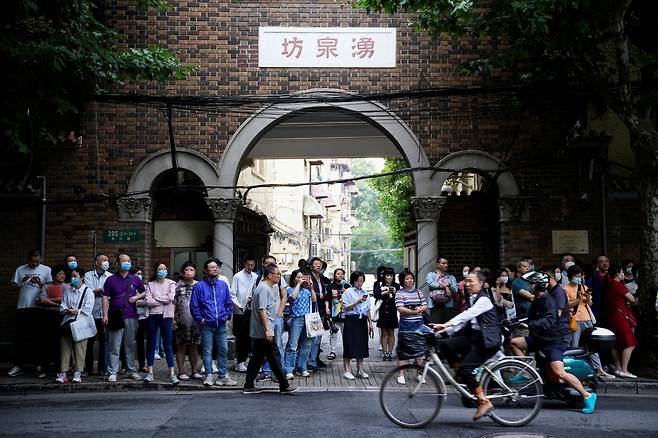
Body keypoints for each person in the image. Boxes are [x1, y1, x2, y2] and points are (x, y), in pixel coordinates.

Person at [510, 271, 598, 414]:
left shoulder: (549, 299)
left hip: (554, 340)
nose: (530, 286)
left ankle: (587, 395)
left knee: (559, 371)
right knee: (515, 343)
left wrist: (530, 325)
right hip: (542, 337)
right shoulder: (538, 299)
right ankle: (528, 373)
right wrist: (515, 321)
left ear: (540, 285)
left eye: (532, 284)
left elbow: (550, 319)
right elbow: (531, 317)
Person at [432, 271, 503, 421]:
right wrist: (444, 330)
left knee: (467, 369)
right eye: (466, 281)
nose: (468, 284)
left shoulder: (484, 300)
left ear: (481, 284)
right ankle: (460, 375)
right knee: (446, 345)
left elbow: (467, 315)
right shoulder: (473, 299)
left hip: (487, 342)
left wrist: (445, 323)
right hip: (474, 338)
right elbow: (464, 323)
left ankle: (484, 401)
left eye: (471, 281)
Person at [243, 264, 299, 394]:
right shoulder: (263, 289)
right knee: (274, 357)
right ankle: (284, 385)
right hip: (264, 331)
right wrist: (268, 329)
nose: (279, 277)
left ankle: (249, 385)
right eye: (277, 274)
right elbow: (262, 310)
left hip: (262, 331)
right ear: (270, 275)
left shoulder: (266, 287)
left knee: (258, 358)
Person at [190, 257, 237, 387]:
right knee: (207, 350)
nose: (214, 269)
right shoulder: (199, 286)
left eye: (216, 267)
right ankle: (209, 375)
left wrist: (227, 316)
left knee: (223, 349)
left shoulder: (223, 284)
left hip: (221, 323)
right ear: (205, 270)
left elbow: (228, 303)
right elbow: (194, 306)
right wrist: (201, 319)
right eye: (211, 267)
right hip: (206, 325)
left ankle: (223, 376)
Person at [564, 265, 616, 381]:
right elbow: (566, 305)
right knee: (575, 346)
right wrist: (578, 299)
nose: (579, 278)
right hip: (574, 319)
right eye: (576, 276)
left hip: (587, 318)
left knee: (593, 345)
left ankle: (599, 370)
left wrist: (588, 298)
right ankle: (574, 370)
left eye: (580, 276)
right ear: (570, 277)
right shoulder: (565, 289)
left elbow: (590, 304)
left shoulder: (583, 287)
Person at [8, 249, 52, 377]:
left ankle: (38, 365)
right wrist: (24, 279)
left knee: (38, 338)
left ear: (41, 259)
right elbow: (14, 286)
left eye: (37, 261)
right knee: (20, 337)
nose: (34, 264)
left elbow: (50, 288)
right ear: (28, 260)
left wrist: (39, 282)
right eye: (32, 261)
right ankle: (17, 365)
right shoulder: (21, 269)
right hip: (23, 306)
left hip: (39, 307)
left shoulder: (46, 270)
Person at [102, 253, 145, 382]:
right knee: (114, 345)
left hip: (131, 314)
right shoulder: (110, 280)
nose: (126, 263)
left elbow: (145, 291)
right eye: (123, 261)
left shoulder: (135, 279)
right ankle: (112, 371)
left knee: (130, 344)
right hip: (115, 314)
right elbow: (105, 297)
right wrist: (105, 315)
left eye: (128, 261)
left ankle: (131, 370)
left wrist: (136, 297)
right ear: (117, 263)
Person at [56, 266, 95, 383]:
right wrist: (68, 310)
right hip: (67, 322)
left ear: (82, 277)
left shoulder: (88, 291)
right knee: (65, 348)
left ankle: (78, 373)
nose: (73, 278)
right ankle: (63, 373)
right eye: (72, 276)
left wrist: (77, 310)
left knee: (80, 348)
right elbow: (62, 306)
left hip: (81, 323)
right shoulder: (68, 290)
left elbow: (88, 308)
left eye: (75, 276)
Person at [143, 263, 178, 384]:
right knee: (151, 344)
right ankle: (150, 372)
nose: (162, 271)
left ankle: (172, 373)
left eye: (164, 268)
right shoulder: (150, 284)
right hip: (152, 316)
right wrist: (162, 300)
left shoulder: (171, 283)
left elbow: (171, 298)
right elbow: (148, 301)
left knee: (168, 345)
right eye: (159, 269)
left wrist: (156, 299)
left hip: (166, 316)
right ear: (155, 271)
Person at [256, 255, 288, 382]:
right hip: (264, 318)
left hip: (275, 317)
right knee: (265, 347)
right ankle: (267, 371)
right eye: (268, 263)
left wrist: (280, 311)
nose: (270, 265)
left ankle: (278, 372)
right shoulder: (259, 280)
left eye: (273, 263)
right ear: (263, 265)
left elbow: (284, 296)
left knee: (278, 344)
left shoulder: (279, 279)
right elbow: (259, 305)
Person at [395, 270, 427, 384]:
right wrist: (412, 312)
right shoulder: (400, 293)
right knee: (404, 349)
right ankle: (401, 374)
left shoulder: (418, 292)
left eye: (411, 278)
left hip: (418, 324)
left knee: (419, 349)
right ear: (403, 281)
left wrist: (419, 309)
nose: (410, 280)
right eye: (407, 278)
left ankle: (419, 374)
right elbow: (399, 308)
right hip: (406, 324)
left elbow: (425, 305)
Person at [83, 254, 112, 376]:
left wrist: (99, 291)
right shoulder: (88, 275)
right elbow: (86, 291)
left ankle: (103, 369)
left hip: (105, 314)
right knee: (89, 342)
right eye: (104, 260)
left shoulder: (111, 276)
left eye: (107, 260)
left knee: (105, 341)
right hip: (90, 314)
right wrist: (99, 291)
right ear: (97, 262)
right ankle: (88, 369)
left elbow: (112, 293)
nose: (106, 262)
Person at [606, 266, 638, 378]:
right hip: (620, 316)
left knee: (615, 343)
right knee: (630, 343)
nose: (623, 273)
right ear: (618, 273)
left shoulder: (609, 285)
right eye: (622, 271)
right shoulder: (618, 286)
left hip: (612, 316)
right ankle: (624, 370)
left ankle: (618, 368)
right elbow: (632, 299)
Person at [283, 269, 315, 380]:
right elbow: (292, 298)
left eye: (303, 277)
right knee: (292, 345)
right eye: (298, 277)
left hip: (308, 319)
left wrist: (310, 287)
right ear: (293, 279)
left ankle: (302, 368)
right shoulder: (290, 289)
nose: (301, 279)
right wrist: (299, 284)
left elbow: (314, 299)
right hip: (296, 319)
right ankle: (288, 369)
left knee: (306, 345)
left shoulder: (306, 291)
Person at [341, 271, 373, 380]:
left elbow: (368, 309)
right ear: (353, 281)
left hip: (362, 320)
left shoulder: (365, 293)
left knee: (362, 345)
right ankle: (347, 370)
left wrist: (370, 322)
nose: (360, 283)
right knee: (349, 344)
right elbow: (345, 308)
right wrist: (356, 302)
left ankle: (360, 369)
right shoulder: (348, 292)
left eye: (361, 281)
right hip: (351, 319)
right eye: (357, 281)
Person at [174, 261, 202, 380]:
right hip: (181, 321)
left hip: (196, 321)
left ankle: (194, 371)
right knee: (181, 346)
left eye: (192, 270)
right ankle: (181, 371)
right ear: (182, 272)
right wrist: (173, 319)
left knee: (194, 346)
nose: (189, 272)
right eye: (187, 270)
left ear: (195, 272)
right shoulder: (177, 286)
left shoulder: (199, 285)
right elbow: (173, 303)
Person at [37, 264, 66, 377]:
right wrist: (57, 302)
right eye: (59, 274)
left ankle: (60, 369)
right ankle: (45, 369)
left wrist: (50, 301)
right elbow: (42, 300)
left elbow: (65, 300)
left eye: (63, 274)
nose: (62, 276)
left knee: (61, 342)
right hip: (48, 316)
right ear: (53, 275)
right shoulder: (46, 287)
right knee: (47, 342)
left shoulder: (67, 287)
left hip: (62, 316)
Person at [231, 255, 258, 373]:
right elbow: (233, 294)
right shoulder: (237, 276)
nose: (250, 267)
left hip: (251, 310)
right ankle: (239, 361)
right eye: (248, 265)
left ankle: (245, 360)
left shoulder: (255, 276)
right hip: (240, 311)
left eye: (252, 265)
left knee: (249, 337)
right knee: (241, 337)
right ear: (244, 264)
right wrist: (240, 306)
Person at [307, 257, 329, 371]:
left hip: (320, 310)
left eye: (319, 264)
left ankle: (314, 361)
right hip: (312, 310)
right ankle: (310, 362)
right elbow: (306, 289)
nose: (318, 266)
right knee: (312, 338)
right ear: (311, 266)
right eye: (316, 264)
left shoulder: (321, 277)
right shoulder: (308, 276)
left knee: (318, 338)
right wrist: (317, 293)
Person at [374, 267, 399, 361]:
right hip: (382, 310)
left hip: (392, 311)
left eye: (391, 275)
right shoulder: (379, 284)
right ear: (384, 276)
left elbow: (399, 296)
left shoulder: (396, 286)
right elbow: (376, 294)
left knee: (391, 332)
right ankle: (384, 352)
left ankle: (390, 352)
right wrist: (384, 292)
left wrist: (394, 292)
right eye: (387, 275)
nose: (389, 277)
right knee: (384, 332)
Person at [426, 256, 458, 323]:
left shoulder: (451, 277)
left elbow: (455, 290)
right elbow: (431, 284)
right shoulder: (431, 275)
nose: (446, 265)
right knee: (436, 327)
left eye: (447, 263)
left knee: (447, 328)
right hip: (435, 306)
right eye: (443, 263)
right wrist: (445, 286)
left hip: (448, 306)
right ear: (438, 264)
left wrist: (449, 285)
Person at [327, 268, 347, 361]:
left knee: (345, 333)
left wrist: (345, 292)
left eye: (341, 274)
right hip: (334, 312)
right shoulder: (330, 286)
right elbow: (327, 299)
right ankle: (332, 351)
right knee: (333, 333)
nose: (340, 275)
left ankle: (347, 350)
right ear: (335, 275)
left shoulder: (347, 286)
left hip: (344, 312)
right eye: (338, 274)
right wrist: (327, 308)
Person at [587, 254, 612, 322]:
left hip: (611, 308)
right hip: (597, 308)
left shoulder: (612, 276)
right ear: (597, 264)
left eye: (606, 261)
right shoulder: (592, 277)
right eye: (601, 261)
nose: (605, 263)